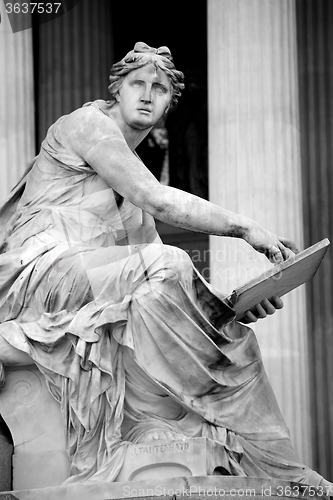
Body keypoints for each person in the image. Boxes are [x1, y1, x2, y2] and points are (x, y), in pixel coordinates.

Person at [0, 42, 331, 489]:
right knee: (170, 261)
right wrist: (246, 228)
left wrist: (224, 309)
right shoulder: (86, 125)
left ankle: (282, 468)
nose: (146, 95)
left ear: (168, 103)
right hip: (36, 272)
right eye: (138, 83)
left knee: (235, 339)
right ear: (117, 90)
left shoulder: (134, 192)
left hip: (87, 277)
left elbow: (171, 282)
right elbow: (158, 204)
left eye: (159, 89)